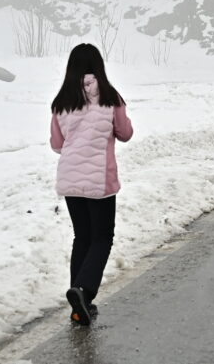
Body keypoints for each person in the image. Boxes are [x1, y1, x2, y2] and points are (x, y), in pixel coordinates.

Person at [49, 43, 134, 326]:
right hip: (99, 180)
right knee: (102, 237)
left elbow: (57, 144)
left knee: (82, 237)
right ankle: (84, 292)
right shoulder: (110, 97)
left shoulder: (62, 101)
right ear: (99, 67)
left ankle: (79, 303)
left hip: (70, 178)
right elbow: (125, 133)